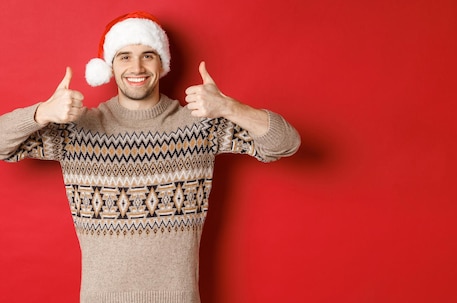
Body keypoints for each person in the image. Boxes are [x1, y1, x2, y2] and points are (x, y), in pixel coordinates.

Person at [0, 11, 300, 303]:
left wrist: (228, 107)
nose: (137, 67)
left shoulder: (198, 125)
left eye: (148, 54)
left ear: (162, 63)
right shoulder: (76, 131)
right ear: (110, 66)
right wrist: (41, 114)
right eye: (125, 56)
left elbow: (285, 143)